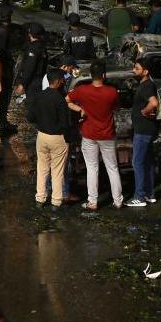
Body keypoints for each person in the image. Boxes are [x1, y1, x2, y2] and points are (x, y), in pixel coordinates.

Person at [66, 60, 123, 210]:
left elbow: (67, 100)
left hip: (89, 134)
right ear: (103, 75)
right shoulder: (112, 92)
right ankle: (118, 200)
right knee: (112, 168)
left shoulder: (82, 90)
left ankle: (92, 202)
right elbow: (117, 107)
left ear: (91, 75)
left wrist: (79, 109)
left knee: (92, 168)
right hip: (108, 135)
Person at [33, 69, 71, 210]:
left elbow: (31, 116)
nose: (64, 81)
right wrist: (68, 139)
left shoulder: (39, 96)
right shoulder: (60, 99)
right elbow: (64, 123)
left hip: (41, 136)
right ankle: (55, 202)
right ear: (57, 81)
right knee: (57, 171)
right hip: (57, 138)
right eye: (62, 79)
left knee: (42, 168)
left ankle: (40, 199)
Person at [125, 59, 159, 207]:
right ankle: (150, 194)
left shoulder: (146, 86)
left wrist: (144, 112)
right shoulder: (147, 85)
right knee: (148, 162)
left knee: (137, 162)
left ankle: (139, 197)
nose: (134, 70)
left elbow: (154, 103)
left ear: (145, 72)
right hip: (148, 129)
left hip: (143, 131)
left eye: (137, 68)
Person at [14, 23, 48, 118]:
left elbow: (29, 68)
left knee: (32, 106)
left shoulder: (32, 49)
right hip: (40, 79)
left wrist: (22, 83)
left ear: (30, 34)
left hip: (33, 81)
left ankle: (35, 125)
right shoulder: (42, 47)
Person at [0, 8, 17, 134]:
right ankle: (2, 123)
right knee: (4, 98)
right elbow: (4, 52)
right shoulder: (6, 32)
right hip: (4, 68)